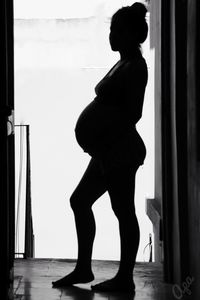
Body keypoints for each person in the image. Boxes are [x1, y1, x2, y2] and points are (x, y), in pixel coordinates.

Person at [52, 2, 148, 293]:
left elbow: (133, 114)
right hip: (107, 151)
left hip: (119, 151)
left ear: (132, 34)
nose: (111, 36)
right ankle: (84, 268)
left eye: (117, 31)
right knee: (80, 201)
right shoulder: (123, 62)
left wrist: (103, 141)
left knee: (123, 211)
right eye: (110, 30)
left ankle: (125, 277)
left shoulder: (135, 66)